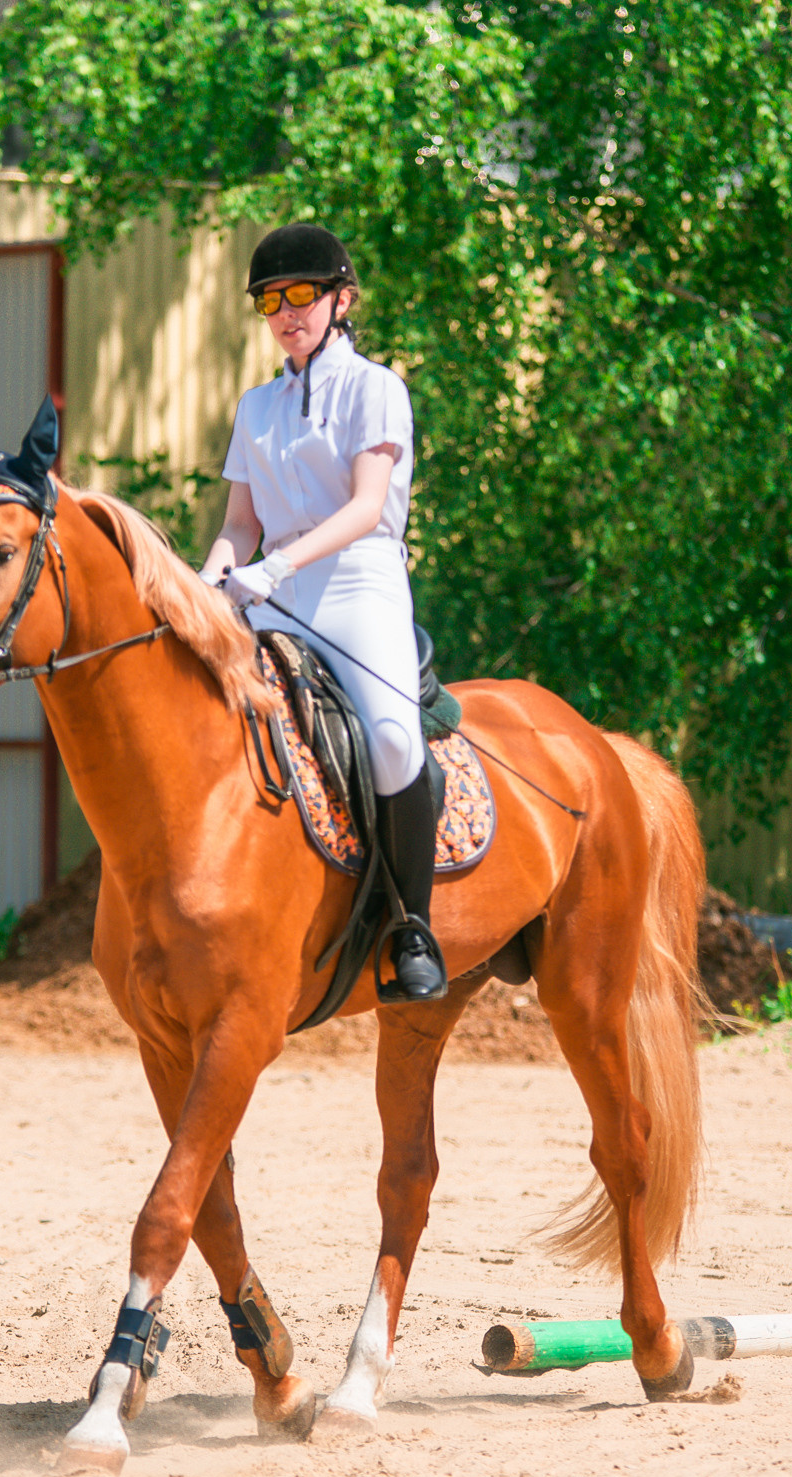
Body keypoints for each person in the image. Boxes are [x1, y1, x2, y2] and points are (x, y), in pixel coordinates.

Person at [201, 223, 447, 1003]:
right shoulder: (256, 406)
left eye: (302, 294)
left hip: (357, 581)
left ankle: (412, 925)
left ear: (341, 299)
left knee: (387, 737)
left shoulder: (377, 388)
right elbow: (240, 524)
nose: (285, 311)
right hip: (274, 592)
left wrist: (274, 566)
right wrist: (210, 579)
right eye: (271, 300)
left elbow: (367, 507)